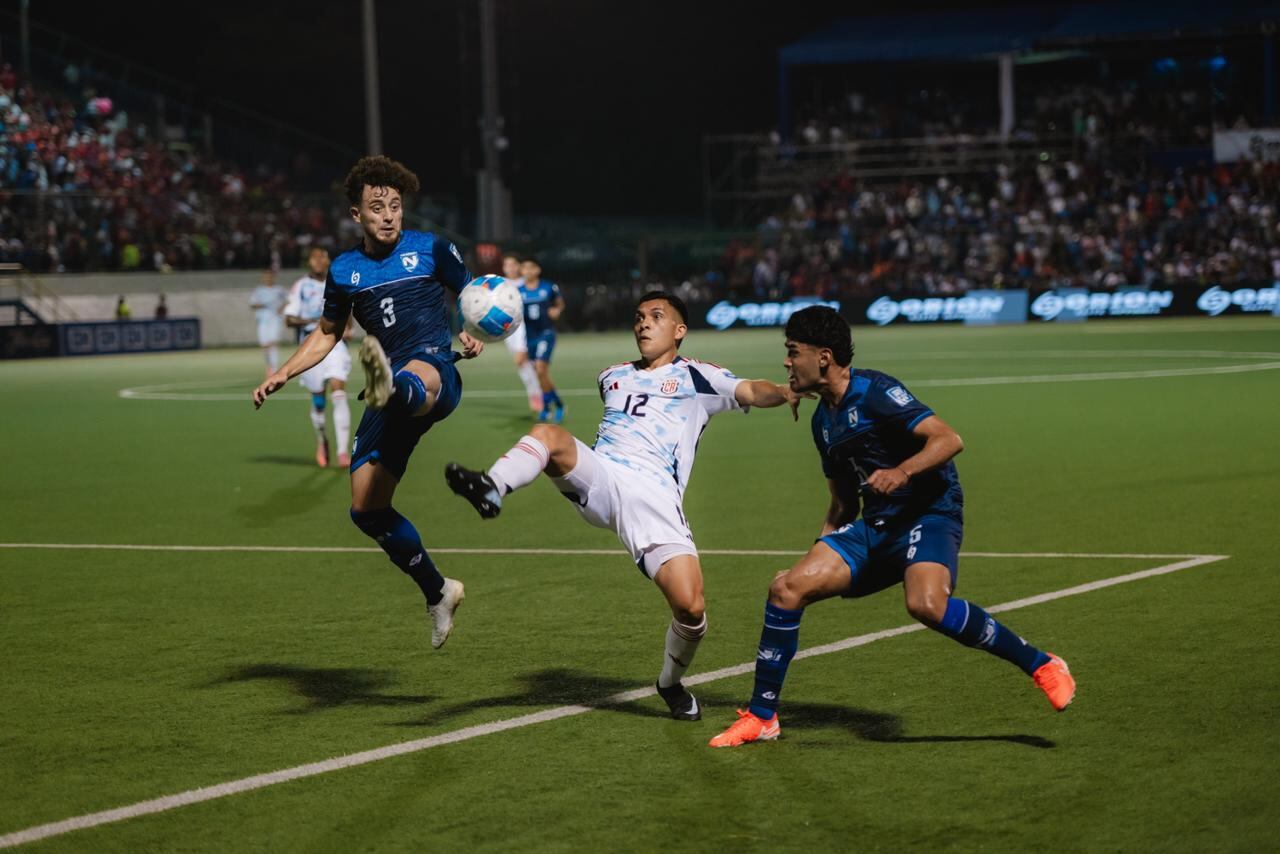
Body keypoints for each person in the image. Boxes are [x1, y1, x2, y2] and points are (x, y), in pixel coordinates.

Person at [708, 306, 1075, 748]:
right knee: (787, 589)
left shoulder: (876, 391)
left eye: (793, 352)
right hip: (875, 526)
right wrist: (817, 553)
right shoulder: (823, 422)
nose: (787, 362)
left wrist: (902, 472)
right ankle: (763, 717)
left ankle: (1041, 664)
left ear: (823, 357)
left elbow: (948, 439)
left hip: (929, 513)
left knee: (926, 605)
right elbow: (843, 503)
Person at [445, 290, 803, 720]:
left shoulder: (698, 377)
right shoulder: (611, 376)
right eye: (638, 317)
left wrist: (783, 392)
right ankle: (492, 487)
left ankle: (669, 684)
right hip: (604, 475)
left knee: (691, 609)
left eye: (656, 316)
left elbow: (749, 389)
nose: (644, 324)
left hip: (656, 498)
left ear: (679, 330)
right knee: (548, 434)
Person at [253, 155, 486, 649]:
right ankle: (439, 591)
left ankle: (390, 386)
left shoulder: (432, 249)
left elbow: (475, 295)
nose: (388, 215)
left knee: (414, 376)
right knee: (366, 509)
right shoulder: (344, 270)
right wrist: (283, 371)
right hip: (387, 391)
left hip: (433, 372)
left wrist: (474, 328)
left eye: (396, 207)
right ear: (357, 215)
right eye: (377, 207)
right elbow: (327, 334)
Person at [284, 246, 353, 468]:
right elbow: (289, 319)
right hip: (310, 345)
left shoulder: (337, 282)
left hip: (335, 342)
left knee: (339, 388)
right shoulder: (301, 286)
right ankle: (322, 440)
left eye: (323, 256)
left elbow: (347, 309)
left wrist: (347, 327)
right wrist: (314, 322)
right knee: (319, 400)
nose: (320, 259)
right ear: (309, 263)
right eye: (315, 257)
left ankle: (343, 452)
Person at [519, 258, 565, 422]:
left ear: (537, 270)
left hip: (546, 333)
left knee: (540, 369)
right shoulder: (518, 291)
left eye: (531, 267)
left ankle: (547, 408)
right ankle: (558, 403)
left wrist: (557, 310)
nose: (527, 271)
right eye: (524, 267)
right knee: (541, 375)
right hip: (530, 337)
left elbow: (560, 303)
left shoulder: (548, 287)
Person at [500, 252, 542, 413]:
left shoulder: (526, 282)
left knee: (520, 360)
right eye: (506, 265)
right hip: (508, 328)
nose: (510, 268)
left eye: (513, 264)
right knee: (524, 364)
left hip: (525, 326)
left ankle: (536, 394)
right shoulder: (500, 282)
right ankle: (536, 392)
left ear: (519, 266)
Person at [249, 270, 286, 379]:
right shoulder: (258, 291)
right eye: (266, 277)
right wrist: (259, 305)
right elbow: (252, 304)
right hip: (263, 321)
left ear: (273, 277)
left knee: (273, 343)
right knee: (265, 346)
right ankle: (269, 366)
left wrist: (282, 308)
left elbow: (289, 300)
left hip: (275, 320)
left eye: (270, 276)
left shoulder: (279, 290)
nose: (268, 278)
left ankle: (274, 369)